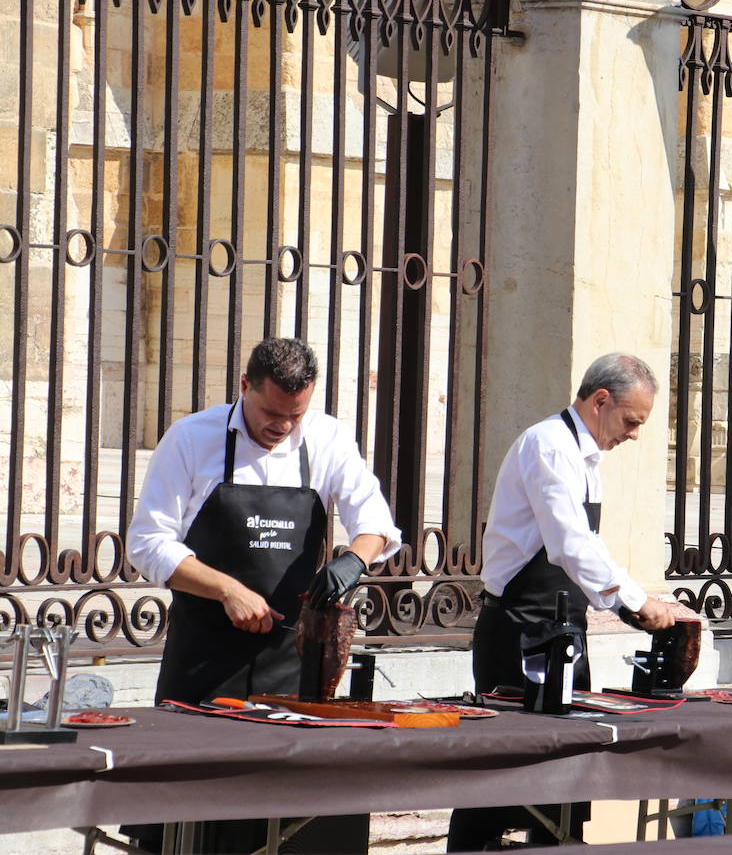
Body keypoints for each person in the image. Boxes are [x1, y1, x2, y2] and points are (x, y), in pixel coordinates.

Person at [125, 337, 401, 853]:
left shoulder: (328, 439)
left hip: (289, 667)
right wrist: (227, 589)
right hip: (204, 662)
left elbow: (378, 524)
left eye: (296, 416)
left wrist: (353, 559)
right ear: (245, 385)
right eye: (273, 413)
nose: (283, 427)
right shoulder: (191, 438)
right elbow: (147, 542)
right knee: (188, 822)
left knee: (278, 825)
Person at [448, 353, 674, 850]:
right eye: (632, 420)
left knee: (568, 781)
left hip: (564, 633)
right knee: (497, 777)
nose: (634, 434)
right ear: (600, 401)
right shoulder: (548, 446)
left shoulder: (587, 457)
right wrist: (634, 602)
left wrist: (626, 602)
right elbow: (570, 543)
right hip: (517, 634)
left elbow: (584, 550)